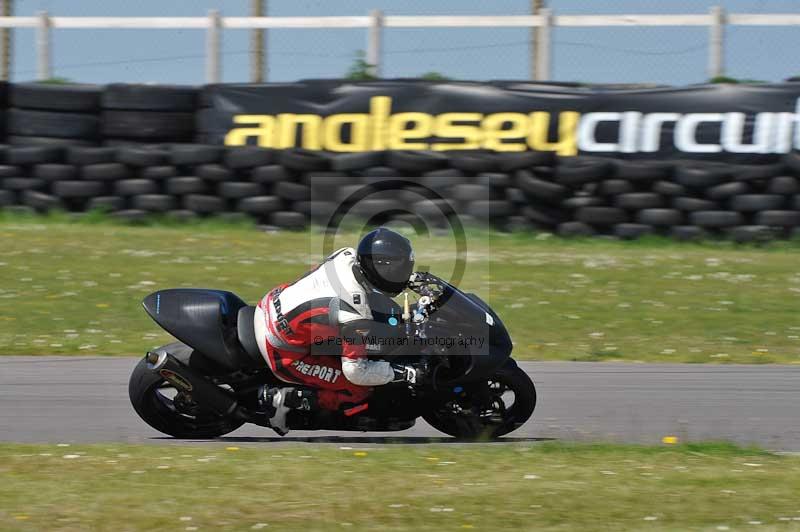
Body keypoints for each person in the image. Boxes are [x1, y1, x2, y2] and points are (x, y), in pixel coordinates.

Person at [253, 227, 425, 434]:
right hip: (284, 351)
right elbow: (356, 371)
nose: (401, 275)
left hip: (273, 303)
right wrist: (403, 373)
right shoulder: (354, 312)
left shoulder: (346, 255)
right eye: (398, 271)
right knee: (359, 389)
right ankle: (283, 400)